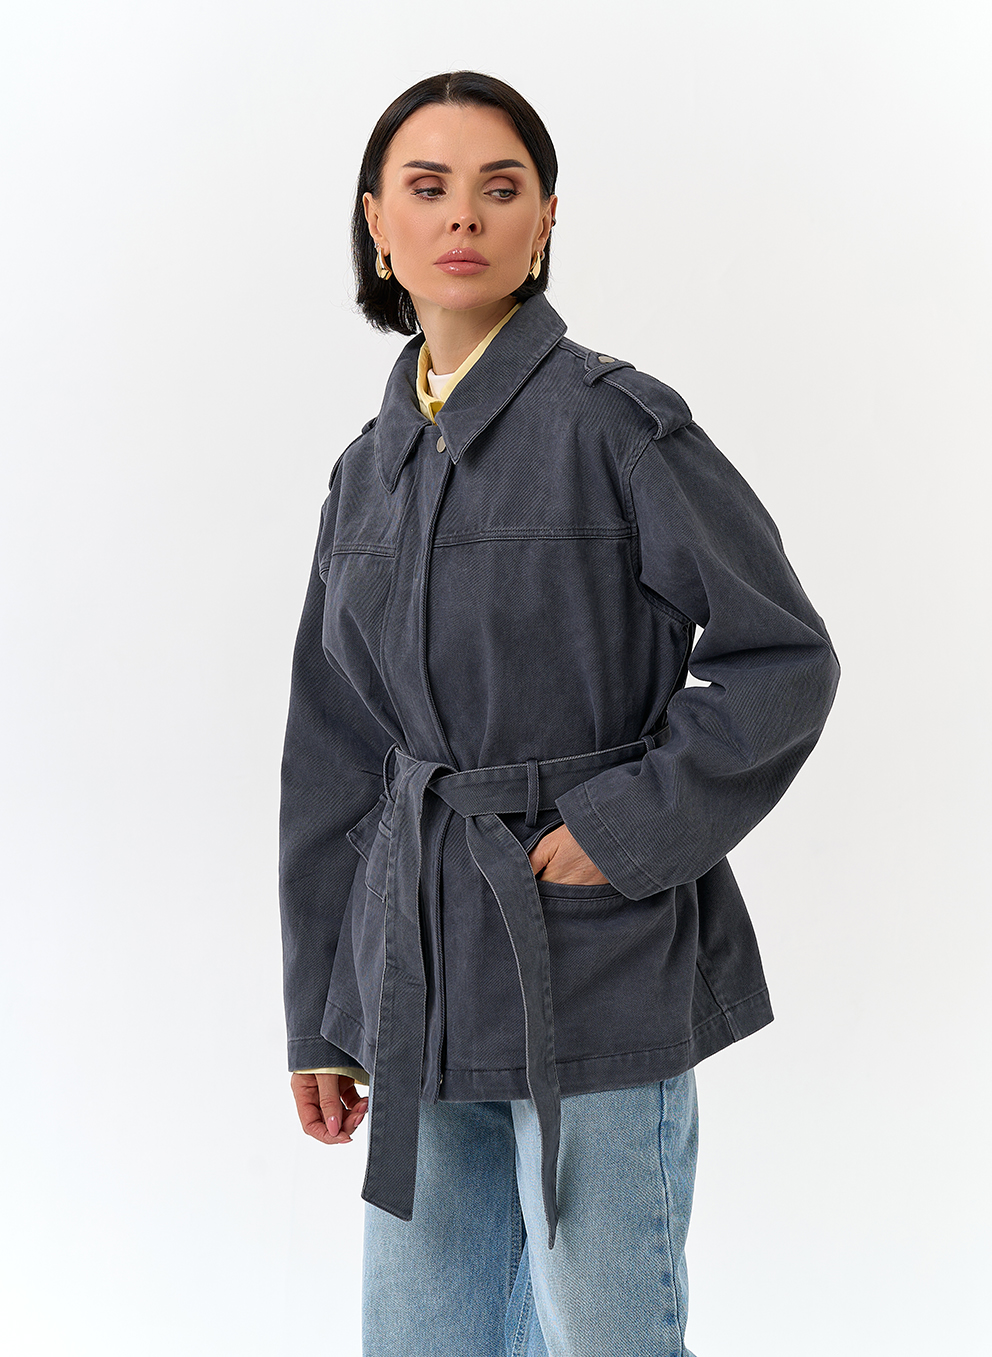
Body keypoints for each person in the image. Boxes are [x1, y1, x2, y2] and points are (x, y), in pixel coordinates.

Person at [279, 70, 841, 1357]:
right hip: (415, 969)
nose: (461, 216)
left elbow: (781, 657)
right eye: (427, 188)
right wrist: (320, 1009)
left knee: (607, 1332)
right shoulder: (363, 474)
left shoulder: (617, 427)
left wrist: (622, 828)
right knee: (424, 1336)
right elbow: (333, 753)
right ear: (377, 223)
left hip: (590, 958)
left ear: (543, 222)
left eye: (500, 188)